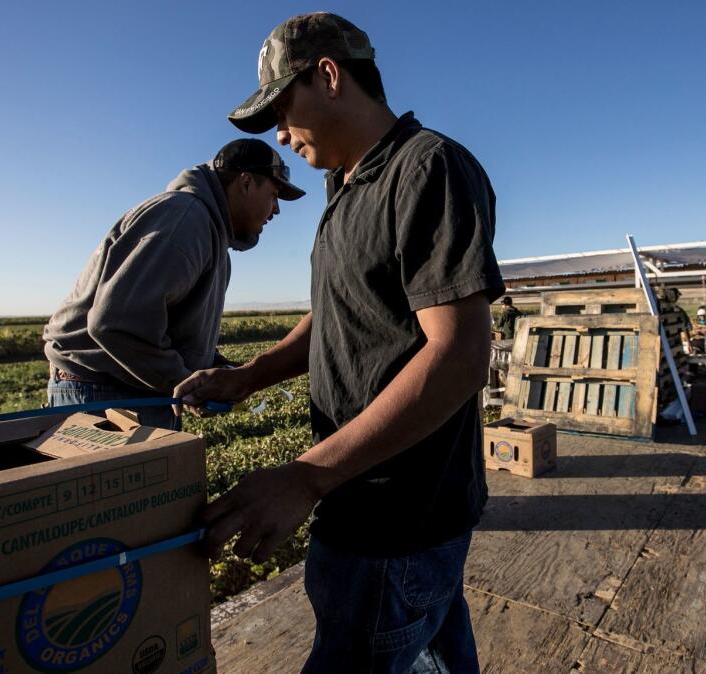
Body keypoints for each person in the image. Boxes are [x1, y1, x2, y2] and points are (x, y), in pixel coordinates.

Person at [177, 13, 503, 672]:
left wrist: (305, 476)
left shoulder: (426, 168)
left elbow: (461, 355)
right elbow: (337, 314)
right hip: (360, 501)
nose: (278, 133)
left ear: (327, 75)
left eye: (279, 107)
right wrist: (249, 376)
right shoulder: (344, 187)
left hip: (397, 521)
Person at [42, 139, 304, 430]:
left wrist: (218, 373)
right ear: (245, 183)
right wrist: (185, 385)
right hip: (106, 395)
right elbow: (116, 324)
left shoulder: (210, 236)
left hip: (130, 391)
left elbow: (172, 332)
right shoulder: (185, 219)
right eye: (274, 194)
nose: (276, 209)